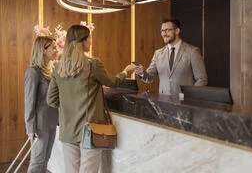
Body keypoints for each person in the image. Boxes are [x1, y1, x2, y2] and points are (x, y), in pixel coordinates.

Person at [46, 25, 135, 173]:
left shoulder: (58, 67)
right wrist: (126, 71)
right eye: (90, 39)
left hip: (67, 129)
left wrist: (70, 103)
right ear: (84, 41)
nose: (90, 42)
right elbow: (113, 82)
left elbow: (51, 99)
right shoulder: (92, 64)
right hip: (90, 129)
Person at [135, 17, 208, 95]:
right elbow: (149, 78)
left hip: (184, 103)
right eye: (162, 31)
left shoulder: (192, 51)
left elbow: (202, 79)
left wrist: (191, 96)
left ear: (177, 31)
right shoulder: (158, 53)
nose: (164, 34)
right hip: (163, 102)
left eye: (167, 30)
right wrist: (142, 73)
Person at [24, 36, 58, 173]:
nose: (56, 50)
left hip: (51, 122)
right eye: (53, 48)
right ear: (43, 51)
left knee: (46, 159)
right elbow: (29, 101)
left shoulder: (50, 72)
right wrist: (30, 128)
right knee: (37, 162)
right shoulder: (33, 72)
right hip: (39, 125)